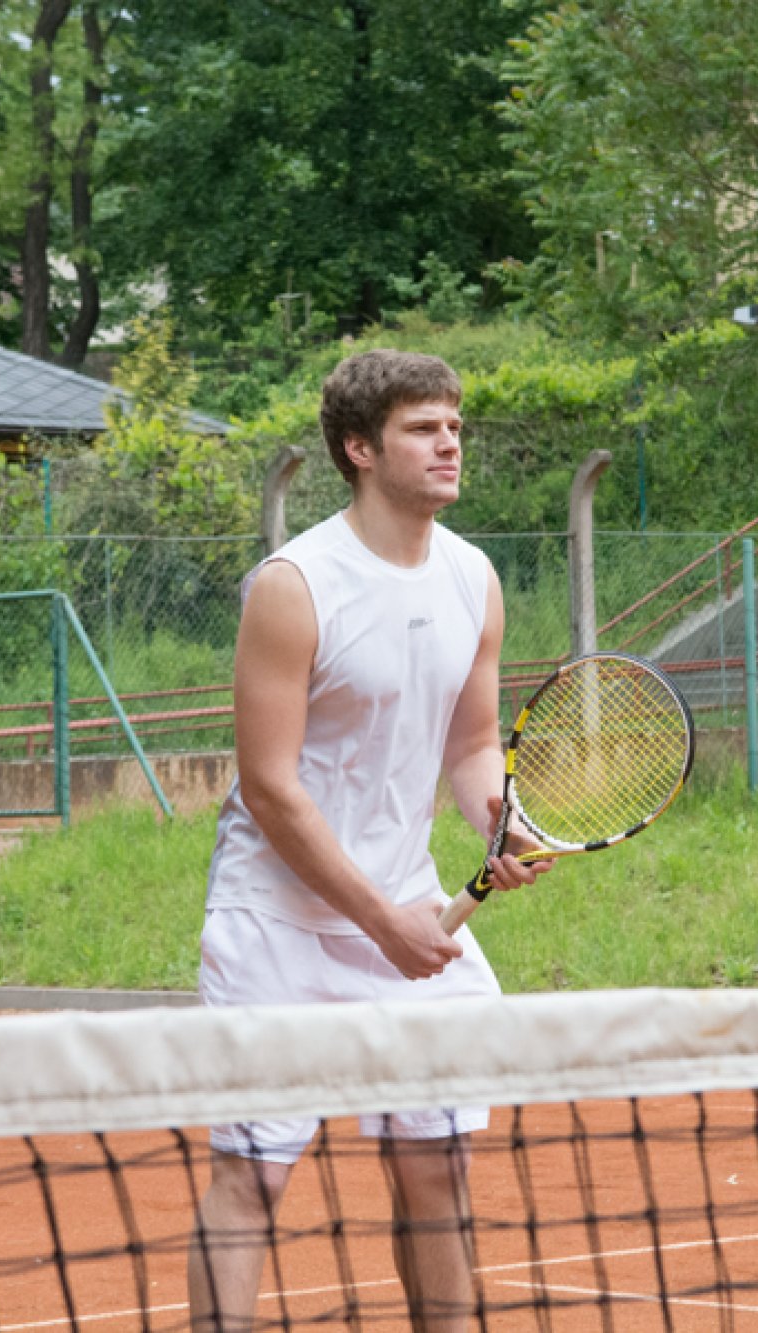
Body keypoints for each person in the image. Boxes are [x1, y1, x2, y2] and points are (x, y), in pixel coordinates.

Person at [188, 349, 547, 1331]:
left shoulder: (473, 578)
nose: (449, 443)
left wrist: (497, 816)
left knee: (436, 1169)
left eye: (455, 425)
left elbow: (471, 744)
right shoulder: (295, 585)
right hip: (274, 926)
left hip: (407, 913)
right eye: (422, 428)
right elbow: (270, 787)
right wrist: (382, 919)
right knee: (251, 1178)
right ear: (359, 448)